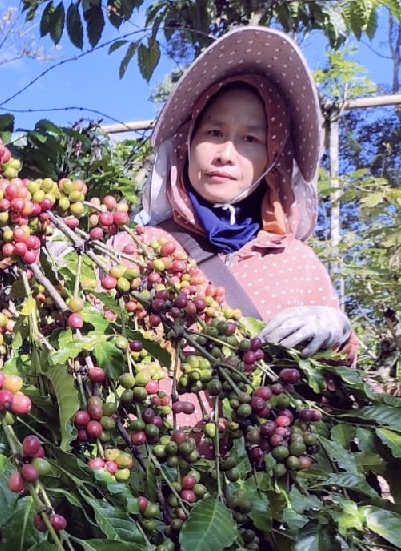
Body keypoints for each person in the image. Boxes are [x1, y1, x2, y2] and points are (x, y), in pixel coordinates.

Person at [139, 25, 354, 359]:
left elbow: (334, 380)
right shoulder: (137, 247)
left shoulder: (298, 263)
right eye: (213, 131)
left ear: (273, 160)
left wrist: (339, 337)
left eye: (250, 139)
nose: (225, 153)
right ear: (187, 144)